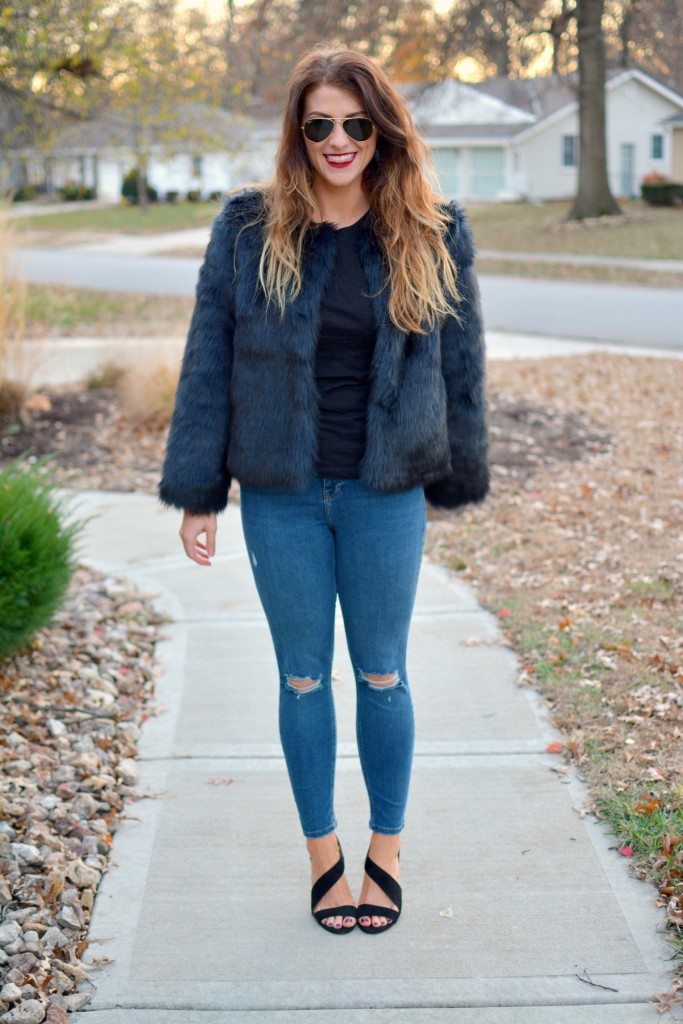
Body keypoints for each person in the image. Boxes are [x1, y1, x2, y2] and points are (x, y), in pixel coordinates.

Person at [159, 45, 488, 936]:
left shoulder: (432, 227)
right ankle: (323, 857)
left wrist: (455, 476)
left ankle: (385, 852)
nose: (337, 140)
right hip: (283, 494)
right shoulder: (245, 228)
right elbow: (208, 361)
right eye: (319, 126)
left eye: (354, 123)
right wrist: (199, 489)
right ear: (297, 134)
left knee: (381, 674)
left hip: (384, 491)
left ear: (381, 129)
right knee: (304, 679)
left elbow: (461, 365)